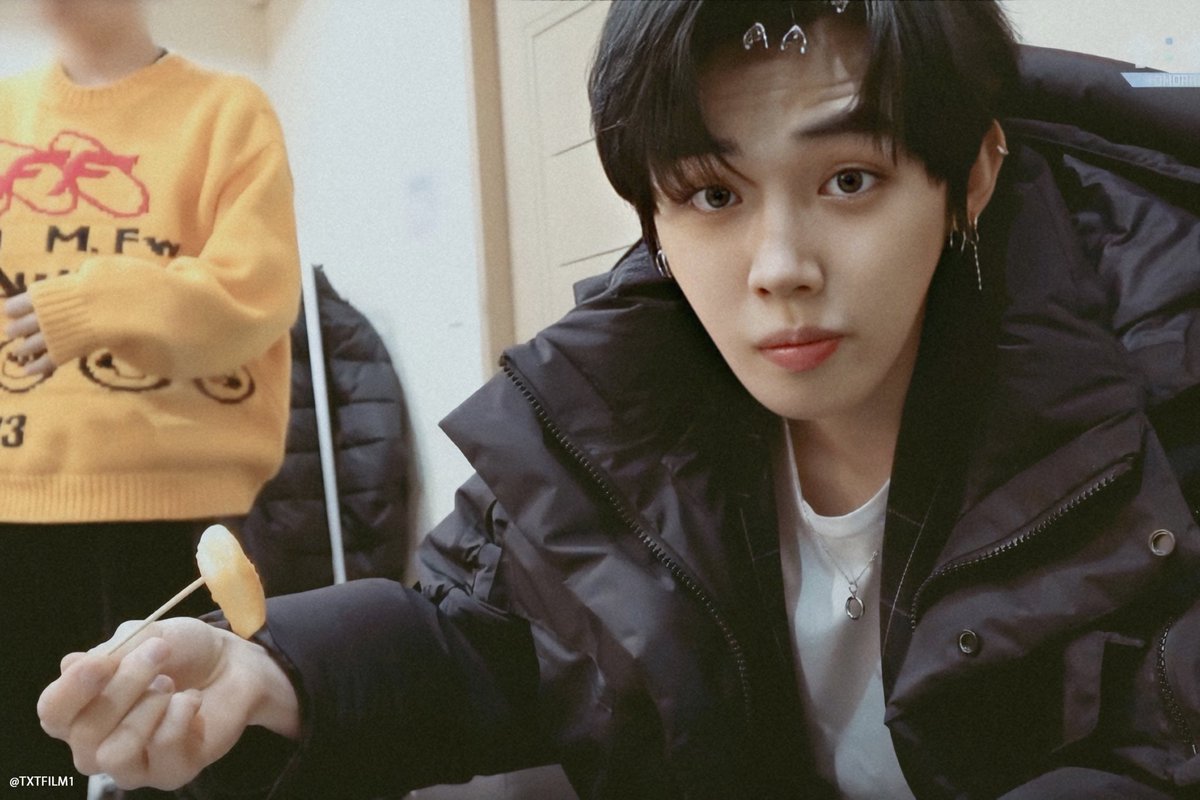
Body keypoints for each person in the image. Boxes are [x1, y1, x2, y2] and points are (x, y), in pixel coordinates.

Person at [36, 1, 1200, 797]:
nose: (779, 266)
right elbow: (486, 635)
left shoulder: (1160, 394)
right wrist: (273, 674)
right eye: (712, 195)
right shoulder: (617, 396)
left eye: (850, 179)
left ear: (972, 175)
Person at [0, 0, 300, 792]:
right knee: (28, 773)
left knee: (206, 759)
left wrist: (92, 305)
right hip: (14, 502)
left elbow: (255, 292)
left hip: (183, 509)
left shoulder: (226, 111)